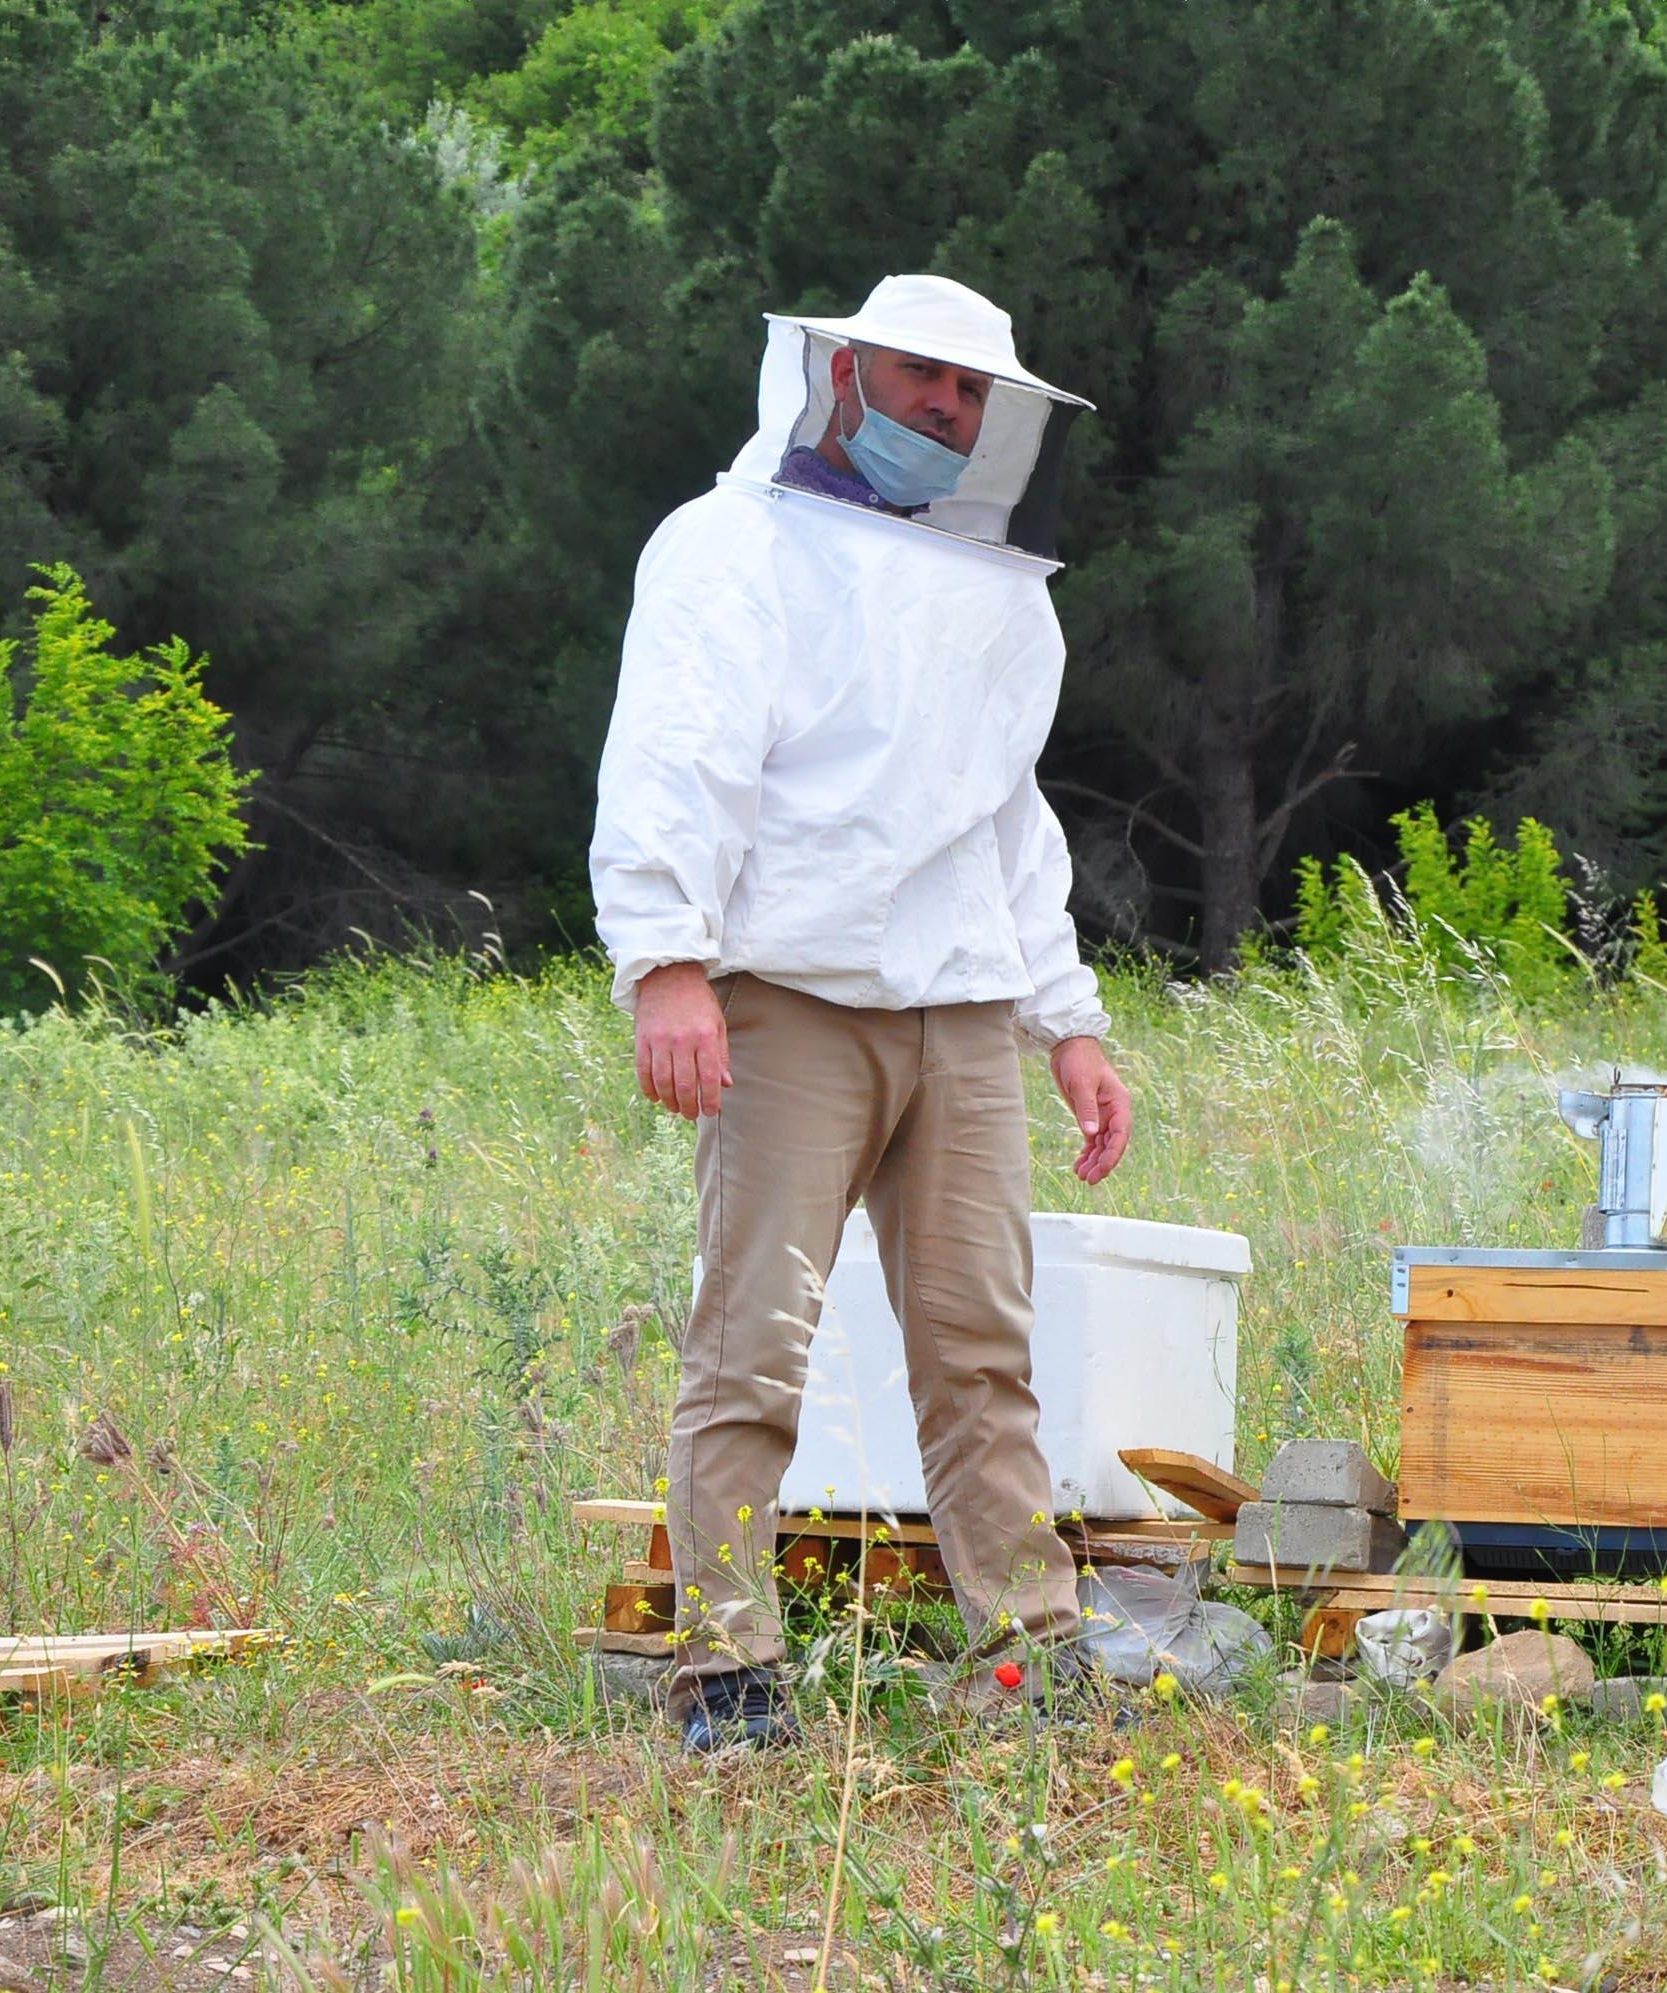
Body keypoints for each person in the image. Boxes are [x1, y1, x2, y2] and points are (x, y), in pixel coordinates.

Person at [591, 274, 1130, 1753]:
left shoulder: (1001, 595)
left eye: (969, 392)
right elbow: (676, 755)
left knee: (981, 1348)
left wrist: (1068, 1021)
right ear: (841, 377)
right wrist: (670, 961)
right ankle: (728, 1667)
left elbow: (1007, 817)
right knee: (751, 1340)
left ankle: (1029, 1652)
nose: (942, 409)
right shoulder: (731, 545)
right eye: (916, 378)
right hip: (788, 998)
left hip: (963, 1010)